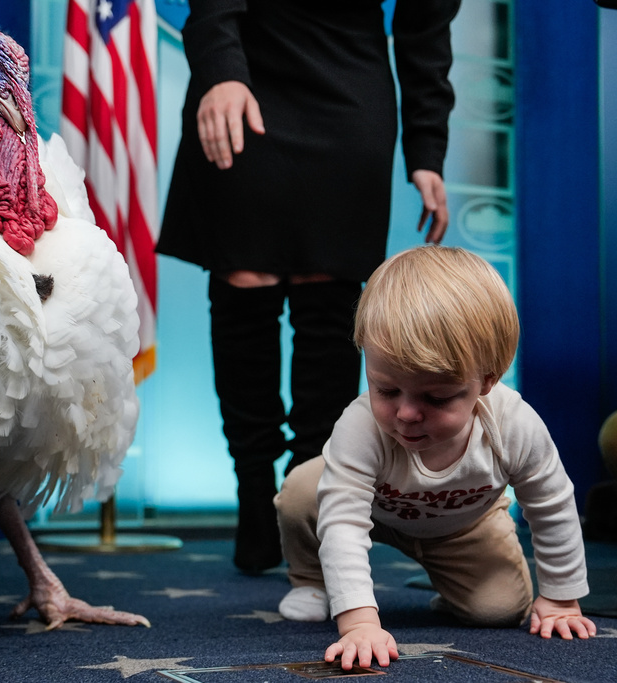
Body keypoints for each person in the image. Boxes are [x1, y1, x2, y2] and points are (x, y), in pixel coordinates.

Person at [156, 0, 460, 575]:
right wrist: (219, 69)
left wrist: (426, 149)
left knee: (329, 303)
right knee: (246, 282)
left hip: (348, 89)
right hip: (240, 74)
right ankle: (252, 489)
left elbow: (427, 22)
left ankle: (304, 496)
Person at [274, 245, 597, 671]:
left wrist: (559, 596)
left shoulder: (514, 424)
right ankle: (312, 579)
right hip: (371, 508)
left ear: (486, 380)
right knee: (301, 491)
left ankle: (446, 584)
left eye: (436, 396)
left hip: (463, 523)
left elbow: (552, 504)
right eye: (386, 390)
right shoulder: (360, 425)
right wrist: (358, 622)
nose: (406, 413)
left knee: (498, 610)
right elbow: (344, 521)